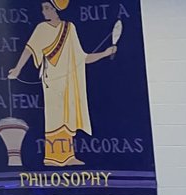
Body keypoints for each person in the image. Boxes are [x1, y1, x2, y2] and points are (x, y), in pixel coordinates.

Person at [7, 1, 117, 166]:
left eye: (48, 8)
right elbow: (29, 50)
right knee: (54, 117)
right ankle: (52, 158)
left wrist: (104, 53)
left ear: (56, 9)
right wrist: (17, 69)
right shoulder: (42, 29)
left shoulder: (69, 28)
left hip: (68, 81)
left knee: (68, 116)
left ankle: (68, 156)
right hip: (51, 80)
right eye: (43, 8)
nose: (44, 12)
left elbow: (82, 58)